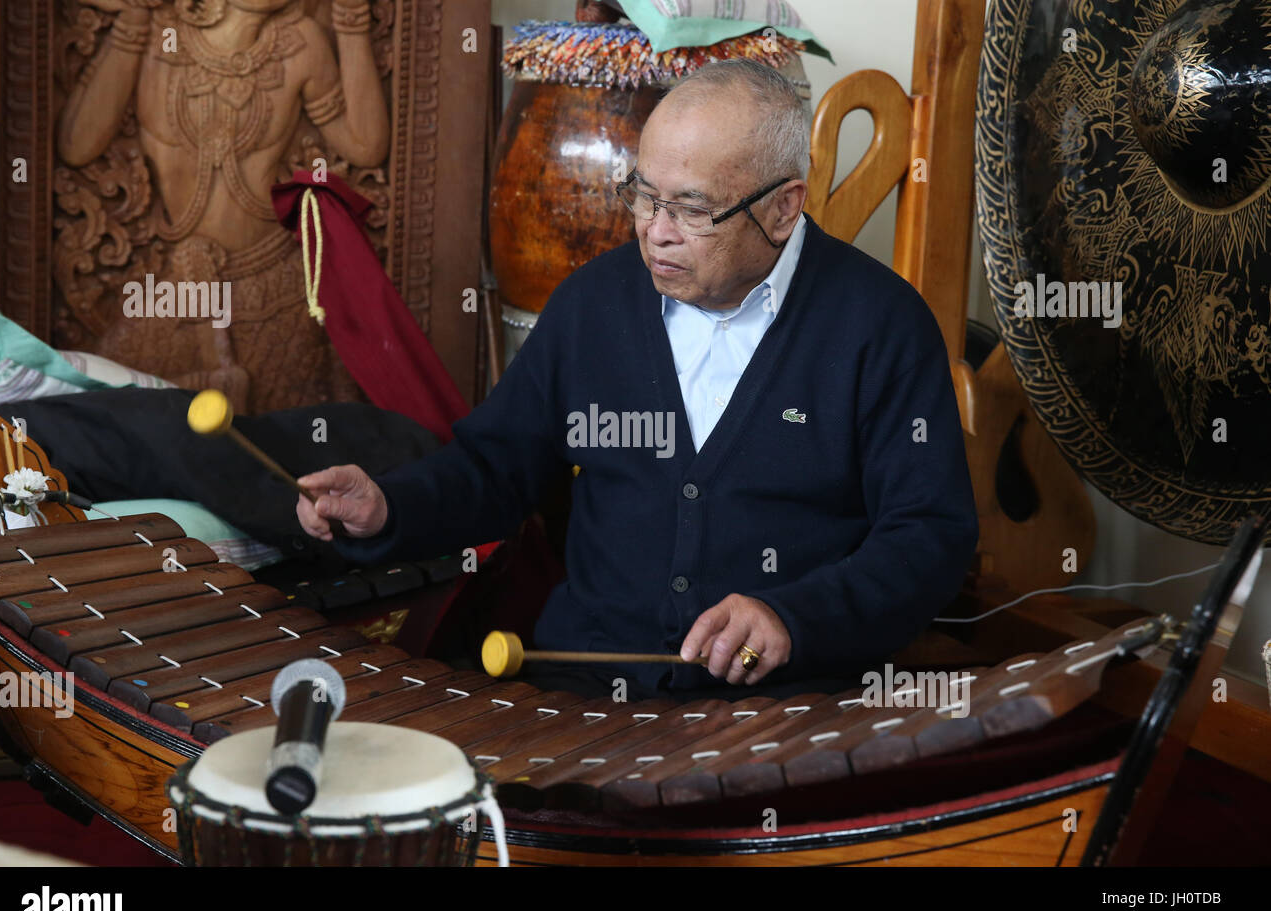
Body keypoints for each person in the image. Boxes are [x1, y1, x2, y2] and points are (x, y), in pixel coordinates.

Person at [296, 59, 978, 700]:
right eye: (644, 196)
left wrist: (794, 617)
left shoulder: (880, 325)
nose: (655, 232)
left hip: (781, 709)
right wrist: (390, 507)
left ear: (782, 207)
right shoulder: (595, 303)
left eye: (690, 209)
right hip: (587, 693)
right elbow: (497, 466)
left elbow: (929, 537)